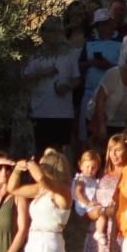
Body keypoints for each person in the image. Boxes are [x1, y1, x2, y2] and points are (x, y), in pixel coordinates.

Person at [24, 17, 78, 154]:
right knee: (41, 151)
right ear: (43, 33)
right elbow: (25, 77)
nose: (55, 35)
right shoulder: (35, 54)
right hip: (40, 111)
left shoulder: (69, 54)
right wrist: (43, 73)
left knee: (62, 151)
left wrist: (66, 87)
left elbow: (77, 79)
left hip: (63, 112)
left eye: (58, 31)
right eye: (51, 31)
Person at [78, 10, 125, 142]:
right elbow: (79, 66)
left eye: (105, 23)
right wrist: (91, 63)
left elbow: (126, 69)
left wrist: (108, 66)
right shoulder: (89, 42)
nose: (102, 27)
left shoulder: (122, 42)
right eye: (99, 24)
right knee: (86, 133)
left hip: (113, 95)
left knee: (111, 134)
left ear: (112, 24)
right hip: (90, 92)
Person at [89, 53, 127, 143]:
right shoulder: (113, 73)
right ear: (126, 64)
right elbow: (100, 99)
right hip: (99, 118)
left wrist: (126, 130)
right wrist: (102, 126)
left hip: (119, 123)